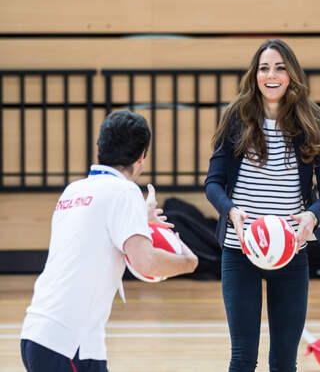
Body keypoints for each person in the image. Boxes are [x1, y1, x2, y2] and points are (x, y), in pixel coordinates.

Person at [20, 110, 198, 372]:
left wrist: (140, 218)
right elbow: (146, 262)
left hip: (47, 334)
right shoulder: (124, 192)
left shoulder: (75, 190)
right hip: (66, 343)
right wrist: (189, 262)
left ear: (100, 148)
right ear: (141, 158)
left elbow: (95, 234)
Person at [204, 39, 320, 372]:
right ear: (255, 75)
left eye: (279, 67)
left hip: (291, 251)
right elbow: (213, 183)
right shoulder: (237, 117)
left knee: (283, 361)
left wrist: (312, 215)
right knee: (242, 357)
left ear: (292, 74)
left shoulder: (313, 120)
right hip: (241, 250)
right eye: (264, 68)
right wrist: (231, 211)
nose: (271, 75)